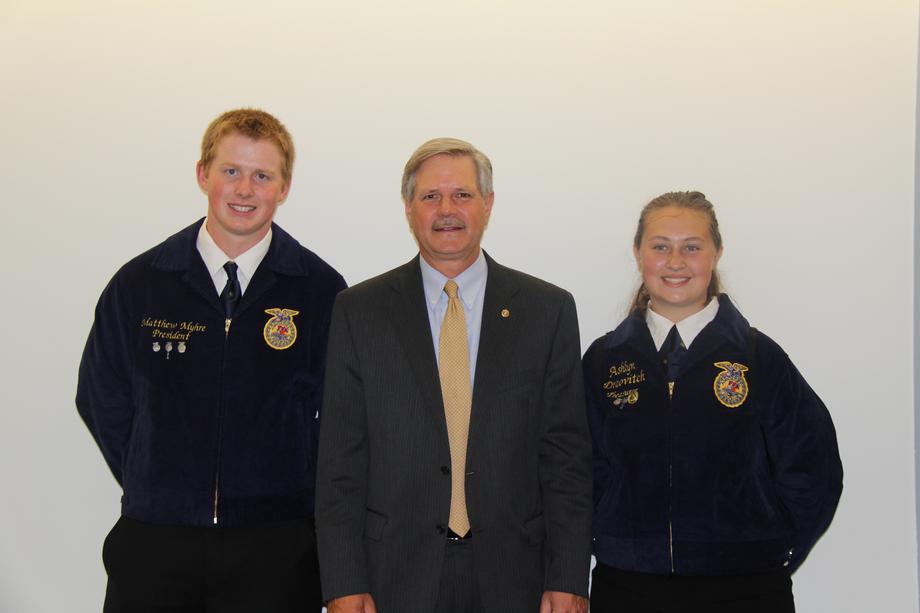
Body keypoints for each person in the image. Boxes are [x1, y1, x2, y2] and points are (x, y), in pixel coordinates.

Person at [76, 108, 346, 613]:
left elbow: (342, 415)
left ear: (284, 187)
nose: (244, 189)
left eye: (262, 175)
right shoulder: (141, 284)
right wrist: (156, 476)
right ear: (203, 174)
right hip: (156, 540)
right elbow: (100, 396)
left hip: (277, 548)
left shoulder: (320, 291)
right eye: (231, 171)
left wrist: (292, 489)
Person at [315, 138, 592, 613]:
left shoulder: (548, 311)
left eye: (462, 195)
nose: (447, 210)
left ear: (487, 204)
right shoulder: (359, 311)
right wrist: (343, 581)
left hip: (515, 573)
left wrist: (569, 576)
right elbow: (340, 458)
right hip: (393, 574)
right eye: (430, 197)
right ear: (408, 208)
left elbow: (566, 457)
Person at [582, 191, 843, 613]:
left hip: (746, 589)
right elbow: (576, 470)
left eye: (692, 247)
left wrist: (766, 546)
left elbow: (815, 468)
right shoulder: (604, 361)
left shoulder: (759, 358)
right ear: (638, 253)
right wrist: (607, 538)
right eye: (660, 246)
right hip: (628, 588)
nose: (676, 262)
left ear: (716, 253)